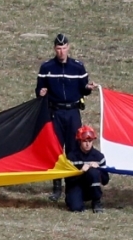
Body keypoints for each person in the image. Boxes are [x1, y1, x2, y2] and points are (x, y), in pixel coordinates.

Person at [36, 34, 97, 202]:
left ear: (68, 48)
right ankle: (56, 188)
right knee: (56, 149)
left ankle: (72, 185)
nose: (61, 51)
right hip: (55, 113)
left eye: (63, 48)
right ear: (54, 49)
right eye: (58, 49)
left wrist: (88, 88)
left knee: (73, 149)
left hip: (72, 113)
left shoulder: (77, 67)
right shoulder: (46, 67)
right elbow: (39, 89)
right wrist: (41, 93)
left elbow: (83, 88)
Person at [65, 125, 109, 213]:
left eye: (90, 141)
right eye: (84, 141)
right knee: (76, 208)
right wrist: (81, 171)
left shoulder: (99, 157)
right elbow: (67, 180)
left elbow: (105, 181)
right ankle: (76, 200)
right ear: (79, 141)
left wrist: (99, 170)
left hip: (91, 186)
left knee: (93, 172)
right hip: (76, 185)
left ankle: (96, 201)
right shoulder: (72, 156)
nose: (87, 144)